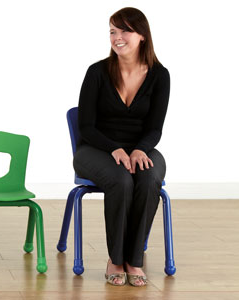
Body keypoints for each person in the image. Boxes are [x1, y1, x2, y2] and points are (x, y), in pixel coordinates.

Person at [73, 7, 170, 287]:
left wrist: (140, 149)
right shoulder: (97, 72)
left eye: (125, 30)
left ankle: (134, 259)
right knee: (121, 179)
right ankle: (116, 259)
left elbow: (155, 128)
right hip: (96, 149)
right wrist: (114, 148)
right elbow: (86, 127)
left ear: (142, 35)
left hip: (141, 147)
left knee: (150, 177)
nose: (117, 37)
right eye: (113, 31)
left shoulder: (159, 75)